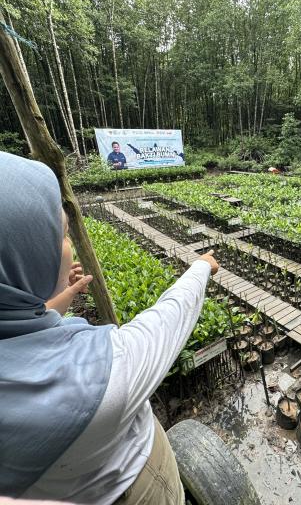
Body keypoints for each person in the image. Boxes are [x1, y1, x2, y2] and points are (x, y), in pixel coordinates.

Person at [0, 152, 219, 504]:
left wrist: (59, 298)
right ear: (26, 254)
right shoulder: (97, 381)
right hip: (137, 489)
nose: (70, 248)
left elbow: (24, 333)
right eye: (63, 235)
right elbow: (165, 322)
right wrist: (200, 268)